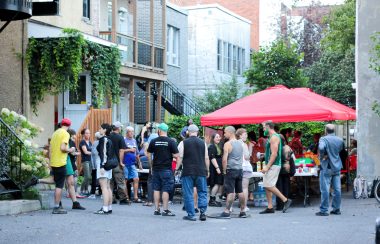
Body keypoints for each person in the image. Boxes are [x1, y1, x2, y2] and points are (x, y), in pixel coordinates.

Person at [175, 124, 209, 221]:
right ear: (197, 132)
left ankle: (191, 214)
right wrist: (208, 170)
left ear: (188, 132)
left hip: (188, 171)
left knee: (188, 193)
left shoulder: (183, 143)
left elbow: (180, 157)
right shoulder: (203, 143)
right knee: (202, 192)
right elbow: (206, 157)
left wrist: (177, 168)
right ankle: (202, 213)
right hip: (201, 170)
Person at [260, 120, 292, 214]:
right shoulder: (272, 137)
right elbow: (272, 153)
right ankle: (270, 207)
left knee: (268, 185)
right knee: (267, 185)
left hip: (273, 165)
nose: (263, 129)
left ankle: (285, 200)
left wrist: (267, 166)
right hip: (271, 164)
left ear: (269, 127)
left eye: (264, 127)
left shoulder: (274, 137)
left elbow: (274, 154)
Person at [147, 123, 179, 217]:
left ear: (159, 131)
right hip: (166, 169)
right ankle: (165, 210)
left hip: (156, 168)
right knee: (165, 189)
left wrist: (151, 165)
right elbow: (176, 155)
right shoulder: (171, 141)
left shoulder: (153, 141)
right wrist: (170, 155)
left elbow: (148, 153)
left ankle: (157, 209)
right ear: (166, 131)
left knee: (156, 189)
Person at [49, 118, 77, 214]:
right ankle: (56, 207)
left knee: (57, 184)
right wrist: (71, 149)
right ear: (69, 126)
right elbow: (63, 148)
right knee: (59, 186)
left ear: (61, 124)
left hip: (53, 161)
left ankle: (57, 206)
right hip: (61, 162)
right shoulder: (65, 133)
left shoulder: (55, 133)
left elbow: (51, 148)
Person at [316, 124, 344, 216]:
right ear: (334, 130)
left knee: (325, 189)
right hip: (337, 166)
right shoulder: (340, 140)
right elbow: (342, 151)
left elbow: (320, 147)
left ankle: (324, 210)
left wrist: (323, 155)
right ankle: (336, 209)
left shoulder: (323, 139)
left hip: (327, 166)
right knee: (337, 189)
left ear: (325, 130)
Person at [219, 126, 247, 219]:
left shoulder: (228, 144)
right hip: (239, 169)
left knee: (230, 191)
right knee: (240, 191)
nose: (224, 134)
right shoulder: (241, 143)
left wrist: (224, 170)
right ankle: (243, 211)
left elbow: (224, 159)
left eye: (225, 132)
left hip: (230, 169)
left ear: (230, 133)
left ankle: (227, 211)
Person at [94, 123, 114, 214]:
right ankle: (109, 207)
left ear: (105, 130)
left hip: (103, 164)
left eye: (101, 128)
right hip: (109, 165)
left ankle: (105, 208)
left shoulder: (103, 139)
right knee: (108, 187)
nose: (99, 130)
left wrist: (102, 166)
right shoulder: (110, 139)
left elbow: (103, 153)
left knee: (104, 187)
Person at [109, 121, 130, 205]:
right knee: (120, 181)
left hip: (109, 163)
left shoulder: (108, 136)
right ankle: (123, 199)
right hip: (116, 162)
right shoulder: (120, 137)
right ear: (118, 128)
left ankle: (111, 198)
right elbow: (121, 150)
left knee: (110, 182)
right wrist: (121, 162)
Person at [123, 126, 143, 203]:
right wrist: (129, 149)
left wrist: (140, 163)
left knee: (136, 178)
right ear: (127, 132)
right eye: (130, 131)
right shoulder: (124, 140)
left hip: (132, 164)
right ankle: (126, 197)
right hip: (125, 163)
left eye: (133, 132)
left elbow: (137, 153)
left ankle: (135, 197)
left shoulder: (134, 141)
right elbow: (121, 151)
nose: (132, 133)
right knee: (125, 180)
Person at [236, 128, 254, 212]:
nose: (246, 135)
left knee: (237, 188)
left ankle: (232, 207)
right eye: (245, 134)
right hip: (245, 167)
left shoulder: (234, 143)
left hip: (237, 167)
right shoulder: (244, 144)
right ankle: (244, 206)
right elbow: (247, 157)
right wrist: (250, 148)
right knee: (245, 188)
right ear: (240, 135)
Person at [275, 143, 295, 210]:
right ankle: (285, 203)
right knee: (286, 187)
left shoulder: (277, 148)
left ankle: (280, 205)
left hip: (279, 169)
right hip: (287, 169)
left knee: (279, 187)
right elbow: (293, 158)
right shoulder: (288, 147)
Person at [208, 133, 224, 207]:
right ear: (213, 138)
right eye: (217, 137)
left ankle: (213, 199)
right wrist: (217, 168)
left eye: (219, 137)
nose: (219, 138)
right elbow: (212, 158)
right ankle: (212, 200)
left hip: (218, 166)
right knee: (217, 183)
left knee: (217, 183)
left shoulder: (217, 146)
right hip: (215, 167)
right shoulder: (212, 146)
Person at [79, 128, 92, 196]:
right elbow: (85, 152)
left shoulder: (90, 142)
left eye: (89, 133)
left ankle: (86, 190)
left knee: (89, 177)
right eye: (87, 133)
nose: (88, 134)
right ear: (83, 134)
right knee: (87, 176)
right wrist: (93, 153)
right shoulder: (82, 142)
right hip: (85, 160)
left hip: (90, 160)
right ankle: (81, 190)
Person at [90, 132, 102, 199]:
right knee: (102, 178)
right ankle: (101, 192)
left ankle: (93, 193)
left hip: (96, 163)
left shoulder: (95, 143)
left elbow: (93, 154)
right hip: (101, 163)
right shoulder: (103, 142)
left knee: (94, 178)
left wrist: (93, 165)